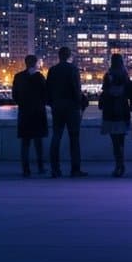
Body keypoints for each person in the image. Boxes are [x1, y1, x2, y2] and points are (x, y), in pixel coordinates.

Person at [46, 46, 87, 177]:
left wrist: (52, 103)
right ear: (69, 56)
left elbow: (48, 89)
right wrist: (80, 103)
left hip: (57, 107)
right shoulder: (73, 69)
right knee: (74, 138)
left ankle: (55, 168)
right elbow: (76, 89)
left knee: (56, 136)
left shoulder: (52, 70)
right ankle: (75, 169)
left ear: (59, 56)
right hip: (72, 108)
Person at [12, 54, 49, 177]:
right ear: (35, 63)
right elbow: (45, 95)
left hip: (24, 113)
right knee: (38, 142)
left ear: (25, 63)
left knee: (25, 143)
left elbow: (15, 96)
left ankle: (26, 169)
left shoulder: (18, 77)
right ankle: (40, 166)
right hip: (38, 113)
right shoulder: (40, 77)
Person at [98, 53, 132, 177]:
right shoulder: (125, 76)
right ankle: (121, 164)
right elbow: (129, 93)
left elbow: (105, 92)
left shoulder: (108, 76)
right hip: (122, 111)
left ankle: (118, 165)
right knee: (121, 141)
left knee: (114, 142)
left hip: (110, 111)